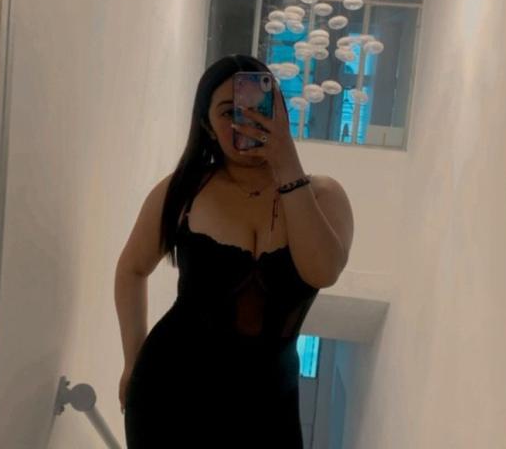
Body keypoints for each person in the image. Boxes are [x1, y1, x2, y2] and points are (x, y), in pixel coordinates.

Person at [115, 54, 354, 448]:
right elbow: (131, 269)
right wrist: (132, 360)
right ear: (207, 125)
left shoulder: (324, 196)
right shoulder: (184, 191)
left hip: (268, 408)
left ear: (280, 112)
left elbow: (322, 272)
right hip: (169, 392)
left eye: (260, 108)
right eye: (228, 112)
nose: (245, 121)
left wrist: (287, 163)